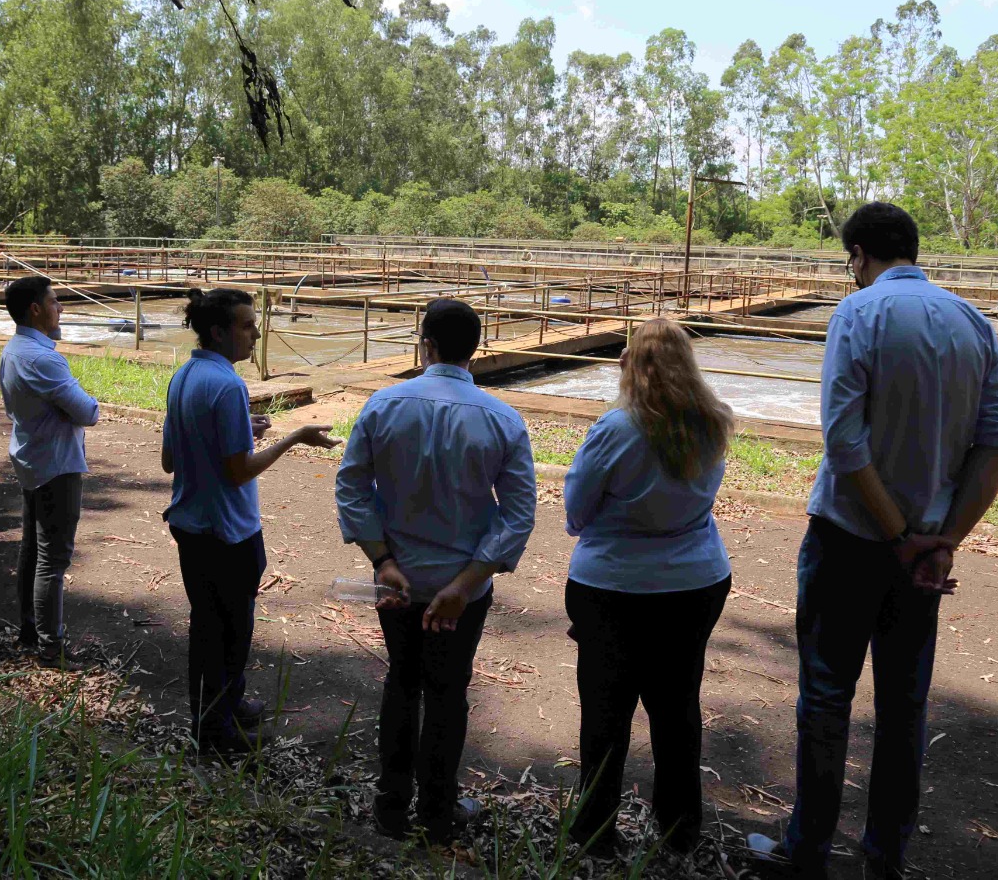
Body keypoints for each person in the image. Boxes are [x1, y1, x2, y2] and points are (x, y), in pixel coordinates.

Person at [747, 203, 998, 880]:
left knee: (826, 699)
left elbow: (844, 441)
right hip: (924, 554)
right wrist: (942, 540)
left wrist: (894, 536)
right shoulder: (973, 324)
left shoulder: (858, 313)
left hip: (849, 539)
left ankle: (806, 851)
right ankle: (885, 856)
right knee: (903, 708)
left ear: (860, 255)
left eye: (851, 262)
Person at [336, 298, 537, 844]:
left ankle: (390, 804)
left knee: (402, 681)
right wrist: (465, 585)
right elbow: (519, 515)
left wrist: (382, 560)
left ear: (424, 341)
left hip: (398, 579)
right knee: (448, 691)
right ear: (476, 349)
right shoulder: (501, 418)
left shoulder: (383, 405)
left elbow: (352, 486)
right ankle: (439, 811)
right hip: (462, 589)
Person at [562, 318, 735, 858]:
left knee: (606, 714)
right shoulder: (714, 422)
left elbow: (575, 511)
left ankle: (595, 833)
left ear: (629, 363)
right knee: (678, 708)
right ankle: (679, 833)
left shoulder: (616, 427)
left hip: (612, 585)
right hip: (695, 580)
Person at [162, 287, 339, 752]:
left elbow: (169, 458)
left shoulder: (183, 377)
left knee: (209, 624)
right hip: (227, 530)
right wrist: (295, 437)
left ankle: (226, 706)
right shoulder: (227, 384)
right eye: (246, 324)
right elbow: (238, 470)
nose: (256, 332)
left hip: (190, 521)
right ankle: (217, 732)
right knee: (230, 631)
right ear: (218, 332)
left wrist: (243, 427)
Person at [0, 276, 101, 667]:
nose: (61, 308)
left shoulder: (16, 349)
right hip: (55, 465)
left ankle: (30, 629)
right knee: (53, 558)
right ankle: (49, 645)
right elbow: (88, 411)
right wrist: (78, 402)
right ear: (36, 309)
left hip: (33, 457)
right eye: (55, 302)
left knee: (33, 549)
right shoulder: (43, 358)